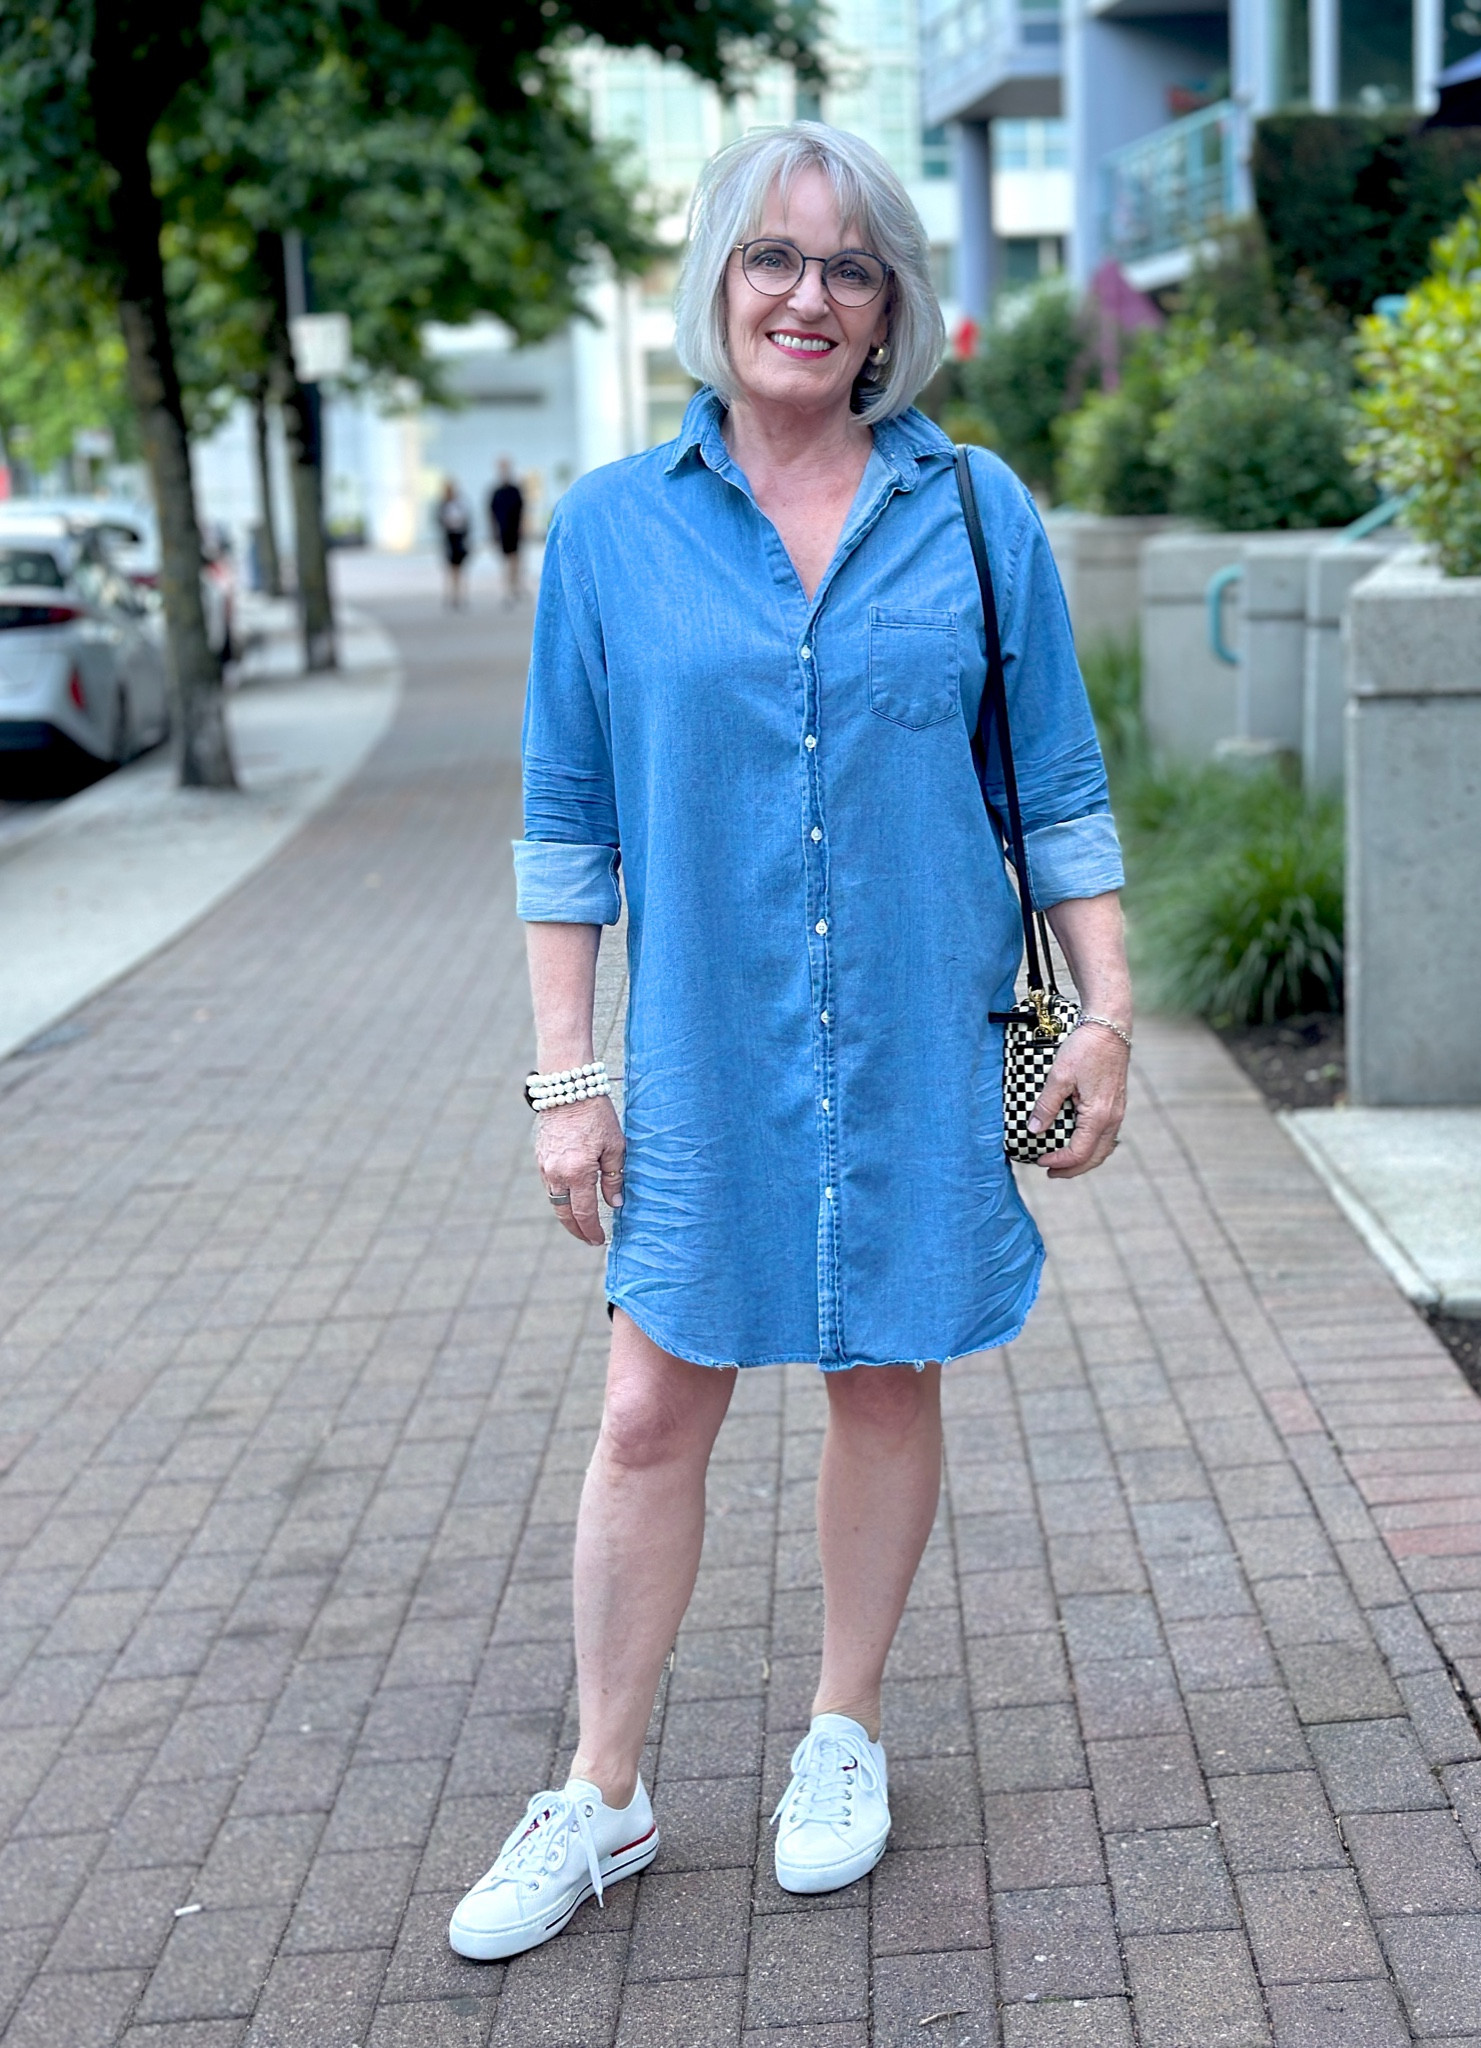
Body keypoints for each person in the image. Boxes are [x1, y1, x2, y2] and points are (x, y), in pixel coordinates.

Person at [448, 122, 1131, 1964]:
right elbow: (564, 831)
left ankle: (843, 1728)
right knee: (648, 1403)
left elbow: (1056, 789)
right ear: (715, 283)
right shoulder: (607, 531)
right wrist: (567, 1076)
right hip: (707, 1054)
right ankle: (603, 1787)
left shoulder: (978, 512)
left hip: (916, 1037)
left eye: (849, 268)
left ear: (890, 303)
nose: (809, 297)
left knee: (885, 1372)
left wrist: (1110, 1010)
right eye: (774, 258)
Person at [488, 458, 526, 603]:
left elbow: (522, 510)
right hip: (503, 530)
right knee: (506, 561)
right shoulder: (496, 492)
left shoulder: (515, 490)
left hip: (514, 530)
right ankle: (508, 589)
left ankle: (515, 586)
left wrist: (522, 527)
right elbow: (491, 513)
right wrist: (493, 532)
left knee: (515, 560)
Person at [436, 478, 471, 608]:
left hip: (459, 539)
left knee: (460, 569)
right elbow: (439, 521)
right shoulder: (443, 505)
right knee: (450, 569)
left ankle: (460, 595)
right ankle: (451, 595)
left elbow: (467, 521)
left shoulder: (460, 504)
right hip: (449, 539)